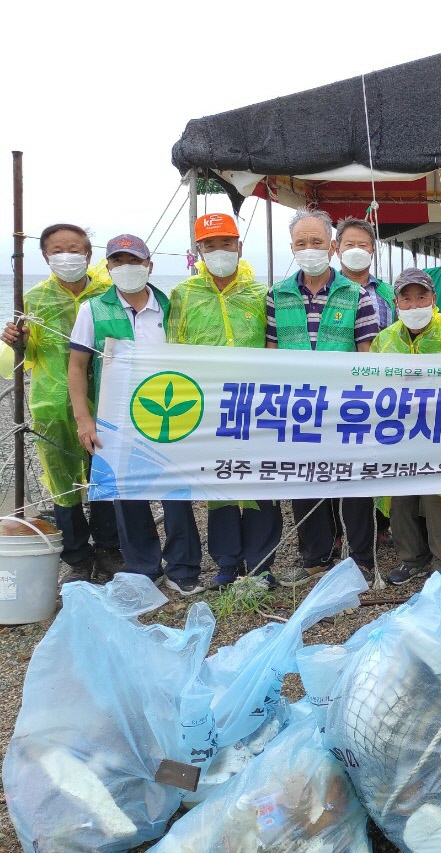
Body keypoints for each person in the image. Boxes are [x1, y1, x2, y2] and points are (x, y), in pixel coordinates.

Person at [65, 234, 203, 595]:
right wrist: (84, 419)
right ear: (108, 268)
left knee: (176, 493)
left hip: (170, 415)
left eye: (135, 261)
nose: (128, 269)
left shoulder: (170, 305)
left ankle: (183, 567)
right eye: (119, 262)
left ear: (149, 266)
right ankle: (143, 567)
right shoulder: (93, 309)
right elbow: (77, 366)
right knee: (128, 497)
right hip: (117, 419)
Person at [265, 209, 389, 588]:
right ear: (291, 248)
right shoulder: (277, 295)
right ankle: (315, 558)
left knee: (354, 486)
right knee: (305, 483)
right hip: (297, 407)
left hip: (346, 406)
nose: (309, 249)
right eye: (301, 243)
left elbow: (367, 353)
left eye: (316, 242)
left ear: (332, 247)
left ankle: (361, 561)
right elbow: (269, 352)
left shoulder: (356, 296)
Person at [0, 223, 120, 584]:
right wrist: (14, 340)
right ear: (46, 256)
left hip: (105, 401)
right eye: (58, 250)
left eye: (75, 249)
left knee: (104, 477)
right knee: (63, 482)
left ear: (88, 254)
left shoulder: (108, 294)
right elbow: (27, 355)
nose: (67, 257)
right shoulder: (33, 299)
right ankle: (77, 557)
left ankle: (110, 550)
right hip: (52, 403)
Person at [168, 212, 281, 588]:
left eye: (226, 243)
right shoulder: (183, 296)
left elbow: (275, 346)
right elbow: (173, 350)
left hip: (258, 402)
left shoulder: (261, 294)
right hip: (209, 405)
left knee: (262, 479)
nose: (219, 251)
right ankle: (227, 563)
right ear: (198, 250)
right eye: (210, 245)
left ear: (239, 246)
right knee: (219, 483)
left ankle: (262, 562)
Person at [369, 268, 441, 584]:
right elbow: (371, 384)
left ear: (433, 299)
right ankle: (410, 557)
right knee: (400, 498)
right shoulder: (384, 341)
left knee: (437, 499)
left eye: (421, 297)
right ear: (397, 302)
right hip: (397, 436)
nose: (415, 305)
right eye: (407, 298)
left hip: (438, 437)